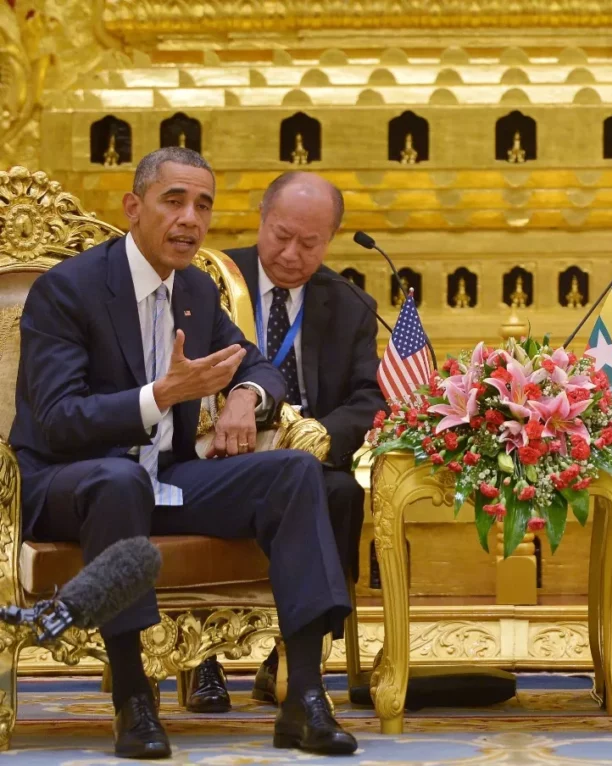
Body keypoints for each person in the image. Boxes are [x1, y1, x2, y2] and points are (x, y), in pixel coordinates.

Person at [9, 147, 358, 758]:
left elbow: (256, 365)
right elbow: (60, 421)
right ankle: (134, 700)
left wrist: (245, 397)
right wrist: (159, 396)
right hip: (64, 484)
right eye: (173, 201)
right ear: (133, 206)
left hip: (164, 480)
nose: (190, 219)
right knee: (118, 480)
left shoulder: (195, 288)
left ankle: (304, 696)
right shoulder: (67, 290)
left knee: (295, 472)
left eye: (203, 205)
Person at [184, 171, 385, 711]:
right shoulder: (207, 281)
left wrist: (314, 439)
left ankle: (294, 652)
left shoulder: (350, 304)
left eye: (310, 243)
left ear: (331, 239)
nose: (292, 254)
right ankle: (200, 657)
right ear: (262, 219)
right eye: (281, 236)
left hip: (305, 455)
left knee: (339, 492)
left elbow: (370, 397)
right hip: (217, 450)